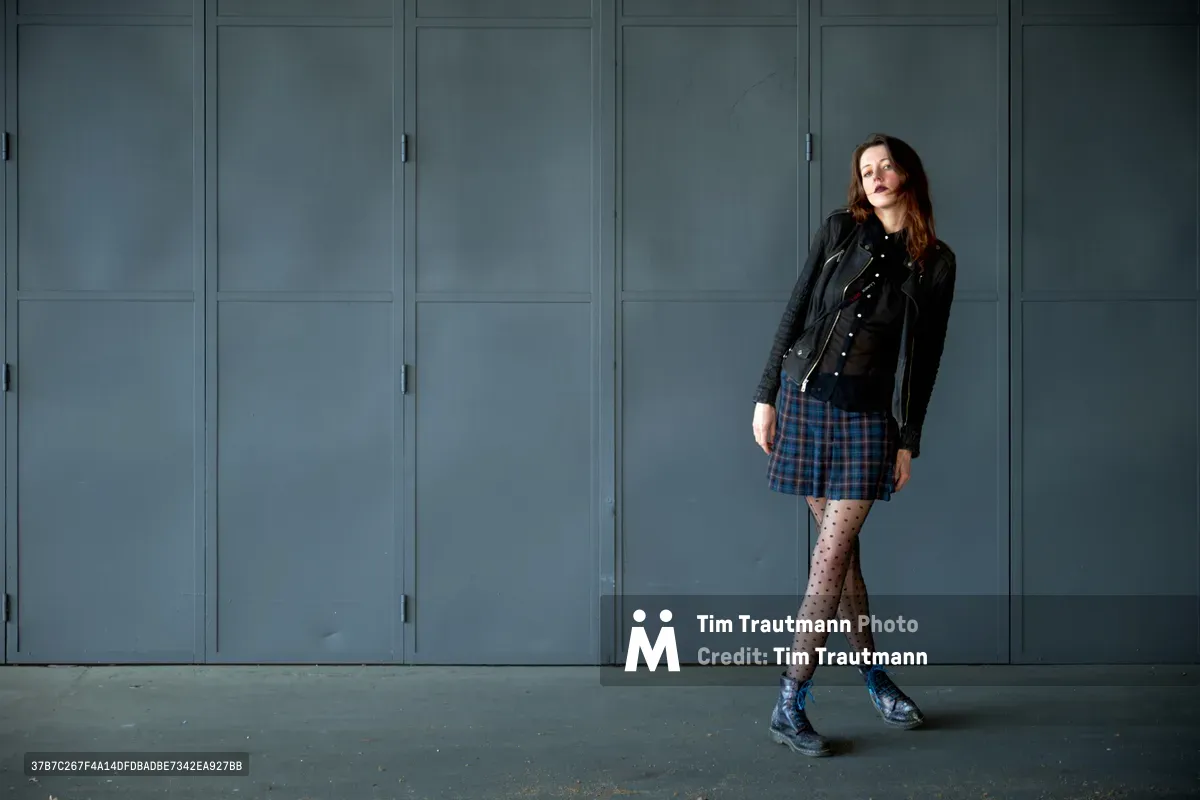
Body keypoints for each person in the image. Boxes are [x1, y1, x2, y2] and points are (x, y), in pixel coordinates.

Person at [750, 133, 957, 757]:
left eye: (886, 165)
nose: (876, 176)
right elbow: (795, 311)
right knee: (842, 561)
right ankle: (873, 674)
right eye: (866, 169)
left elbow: (925, 358)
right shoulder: (842, 230)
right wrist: (765, 394)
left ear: (908, 175)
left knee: (832, 555)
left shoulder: (935, 262)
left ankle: (791, 696)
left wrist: (907, 440)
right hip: (804, 403)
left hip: (869, 420)